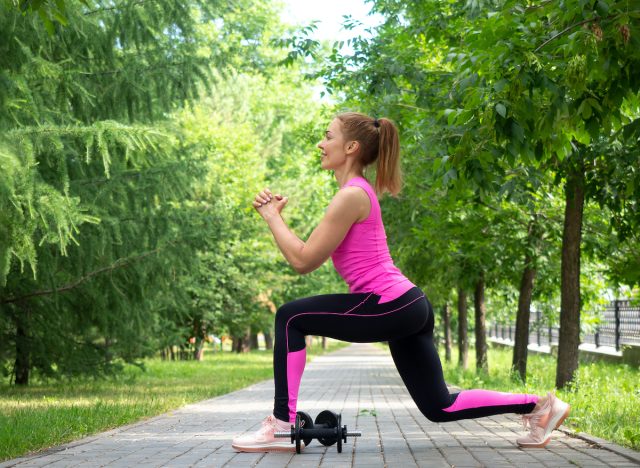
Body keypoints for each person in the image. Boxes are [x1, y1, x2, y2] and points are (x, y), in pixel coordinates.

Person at [231, 112, 570, 453]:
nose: (321, 143)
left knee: (289, 317)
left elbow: (303, 261)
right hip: (407, 305)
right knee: (439, 406)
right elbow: (307, 255)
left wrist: (272, 217)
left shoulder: (351, 195)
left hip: (390, 303)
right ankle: (539, 406)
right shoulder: (355, 193)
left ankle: (280, 426)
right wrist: (276, 218)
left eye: (327, 136)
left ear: (350, 147)